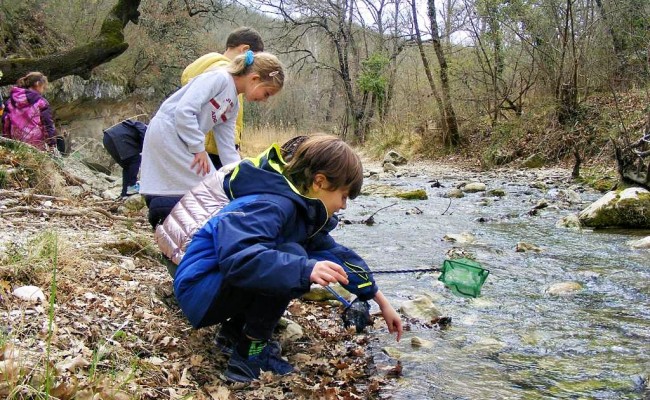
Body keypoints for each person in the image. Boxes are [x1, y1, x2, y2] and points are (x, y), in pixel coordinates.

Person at [173, 135, 403, 383]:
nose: (344, 206)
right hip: (198, 290)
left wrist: (379, 300)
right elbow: (239, 260)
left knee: (295, 257)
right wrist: (304, 269)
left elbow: (335, 255)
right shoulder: (268, 203)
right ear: (320, 182)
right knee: (293, 257)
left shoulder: (299, 210)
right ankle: (249, 356)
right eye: (344, 196)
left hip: (214, 288)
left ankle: (232, 334)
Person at [139, 51, 285, 228]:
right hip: (169, 132)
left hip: (185, 138)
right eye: (267, 93)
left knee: (208, 184)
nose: (264, 100)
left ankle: (176, 224)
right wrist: (198, 148)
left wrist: (240, 173)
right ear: (254, 79)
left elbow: (227, 146)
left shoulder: (234, 104)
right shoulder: (219, 78)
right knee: (205, 185)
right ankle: (166, 219)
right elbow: (184, 111)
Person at [181, 27, 264, 169]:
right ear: (245, 50)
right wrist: (234, 144)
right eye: (255, 62)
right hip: (213, 148)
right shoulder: (227, 76)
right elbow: (224, 114)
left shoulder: (206, 67)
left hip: (203, 145)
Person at [2, 72, 57, 152]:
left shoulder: (10, 102)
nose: (43, 90)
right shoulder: (41, 102)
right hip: (37, 147)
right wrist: (52, 144)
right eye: (43, 87)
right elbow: (48, 125)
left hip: (16, 145)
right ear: (38, 84)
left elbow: (6, 123)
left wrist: (7, 143)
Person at [103, 119, 148, 198]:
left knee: (128, 165)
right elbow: (146, 140)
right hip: (118, 138)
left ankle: (125, 193)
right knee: (135, 159)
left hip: (107, 138)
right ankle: (131, 187)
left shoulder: (136, 126)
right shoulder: (146, 129)